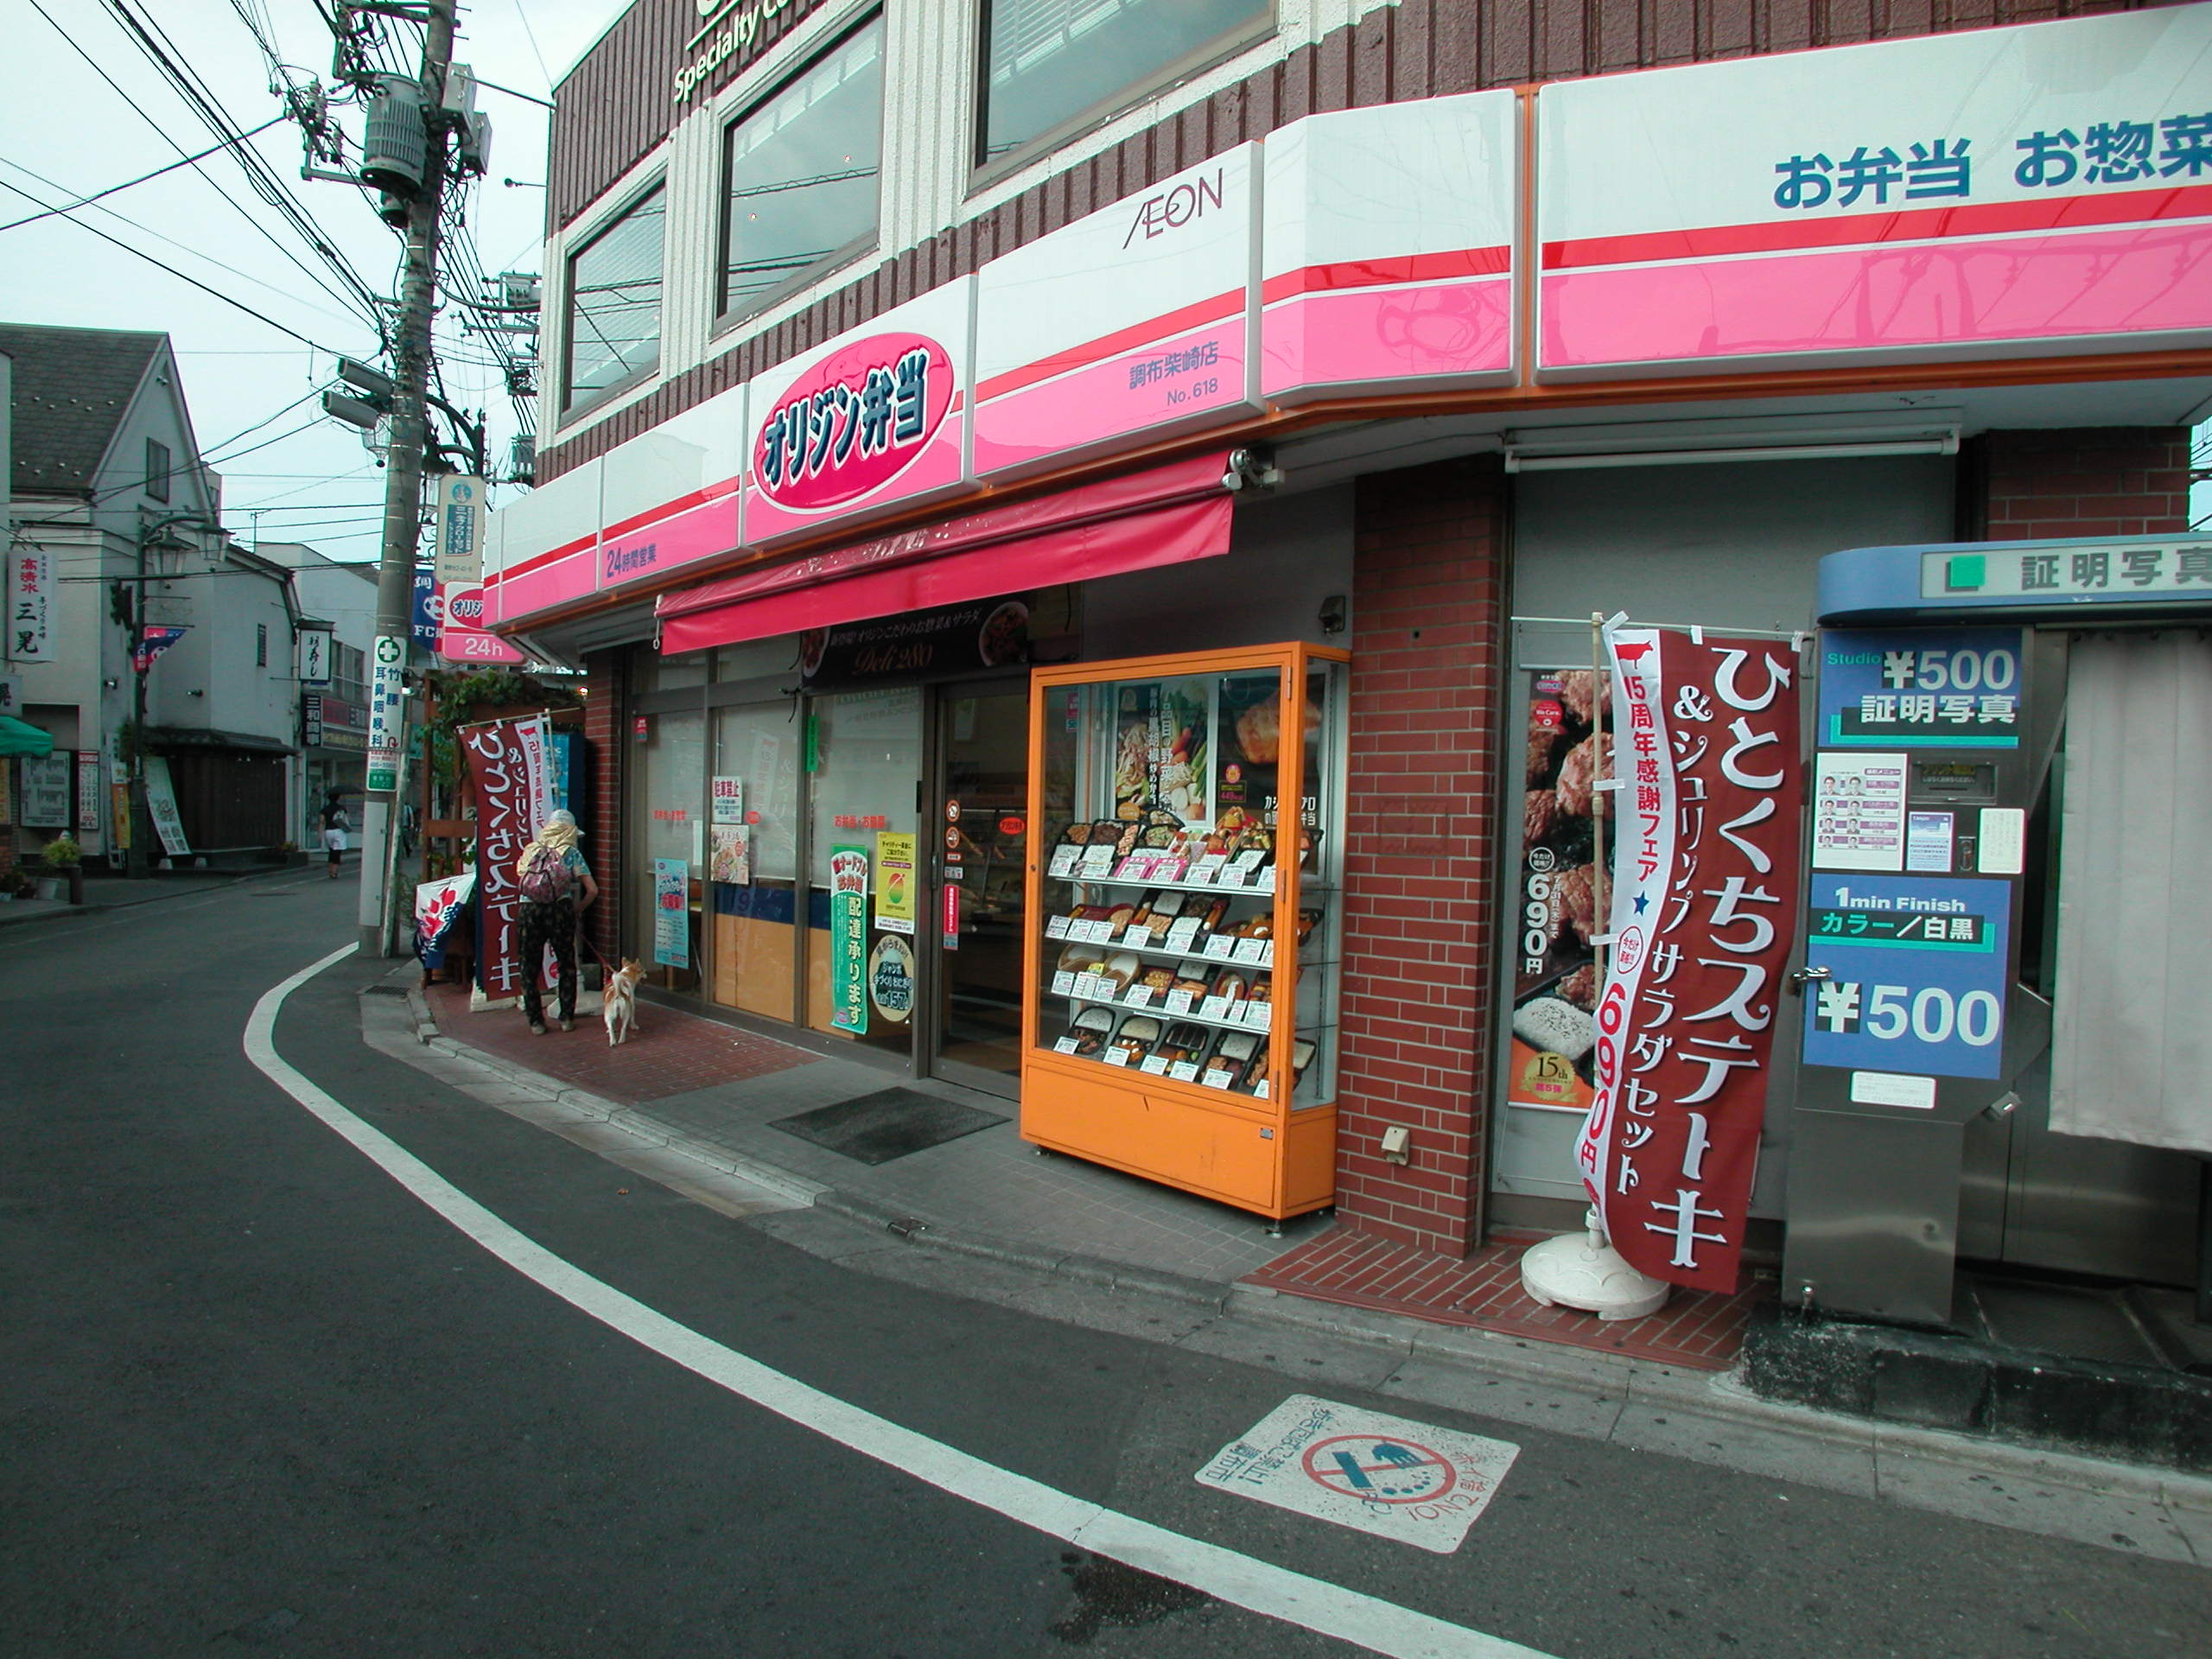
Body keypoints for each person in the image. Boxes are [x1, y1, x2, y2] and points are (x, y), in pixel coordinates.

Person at [514, 808, 599, 1035]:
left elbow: (521, 879)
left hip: (529, 910)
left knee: (529, 966)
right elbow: (592, 890)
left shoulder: (531, 850)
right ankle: (566, 1018)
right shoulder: (571, 852)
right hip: (560, 911)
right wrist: (577, 909)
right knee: (566, 964)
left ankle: (535, 1022)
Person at [318, 793, 350, 880]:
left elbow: (322, 822)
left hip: (328, 831)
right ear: (338, 798)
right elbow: (346, 819)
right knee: (337, 852)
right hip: (339, 831)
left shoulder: (325, 809)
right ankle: (334, 872)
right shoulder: (341, 808)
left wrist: (320, 834)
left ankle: (330, 869)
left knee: (332, 850)